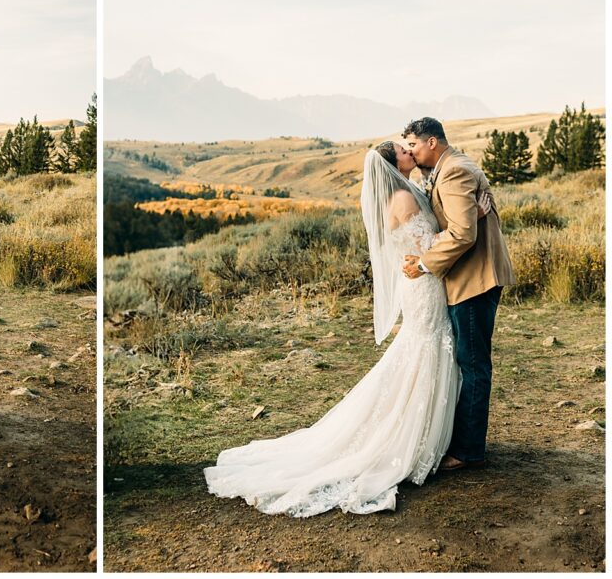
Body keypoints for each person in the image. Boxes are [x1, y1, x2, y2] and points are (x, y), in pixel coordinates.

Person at [204, 141, 489, 516]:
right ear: (393, 164)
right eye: (405, 151)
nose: (410, 152)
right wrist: (474, 219)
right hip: (423, 285)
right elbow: (431, 247)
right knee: (424, 351)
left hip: (424, 284)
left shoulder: (405, 192)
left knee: (425, 351)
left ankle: (430, 434)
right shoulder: (401, 200)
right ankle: (406, 438)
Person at [400, 117, 515, 471]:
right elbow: (460, 223)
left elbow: (463, 235)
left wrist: (422, 265)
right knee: (467, 360)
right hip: (464, 278)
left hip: (473, 280)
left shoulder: (454, 171)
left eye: (414, 145)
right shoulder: (446, 168)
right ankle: (460, 440)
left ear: (432, 142)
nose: (411, 152)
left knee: (474, 363)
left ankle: (467, 452)